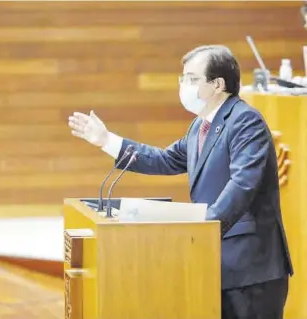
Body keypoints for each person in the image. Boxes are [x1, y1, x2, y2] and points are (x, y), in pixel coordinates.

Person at [68, 45, 293, 319]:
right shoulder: (201, 125)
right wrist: (107, 141)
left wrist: (203, 230)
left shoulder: (245, 121)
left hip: (250, 268)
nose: (183, 85)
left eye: (192, 78)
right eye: (182, 78)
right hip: (218, 261)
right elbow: (165, 159)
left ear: (217, 84)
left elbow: (242, 185)